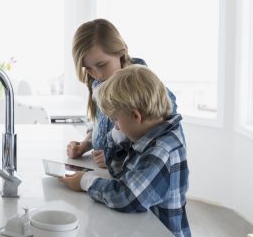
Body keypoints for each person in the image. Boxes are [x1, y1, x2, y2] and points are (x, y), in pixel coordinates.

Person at [60, 65, 190, 237]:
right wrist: (117, 136)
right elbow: (117, 170)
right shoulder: (146, 133)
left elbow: (128, 197)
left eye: (115, 120)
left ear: (136, 116)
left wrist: (87, 181)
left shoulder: (162, 150)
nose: (115, 126)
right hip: (142, 226)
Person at [65, 18, 177, 168]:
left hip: (131, 177)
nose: (97, 75)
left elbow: (163, 140)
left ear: (120, 52)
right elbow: (102, 125)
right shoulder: (99, 83)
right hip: (100, 171)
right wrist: (85, 144)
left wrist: (118, 158)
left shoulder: (144, 88)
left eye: (101, 65)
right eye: (88, 68)